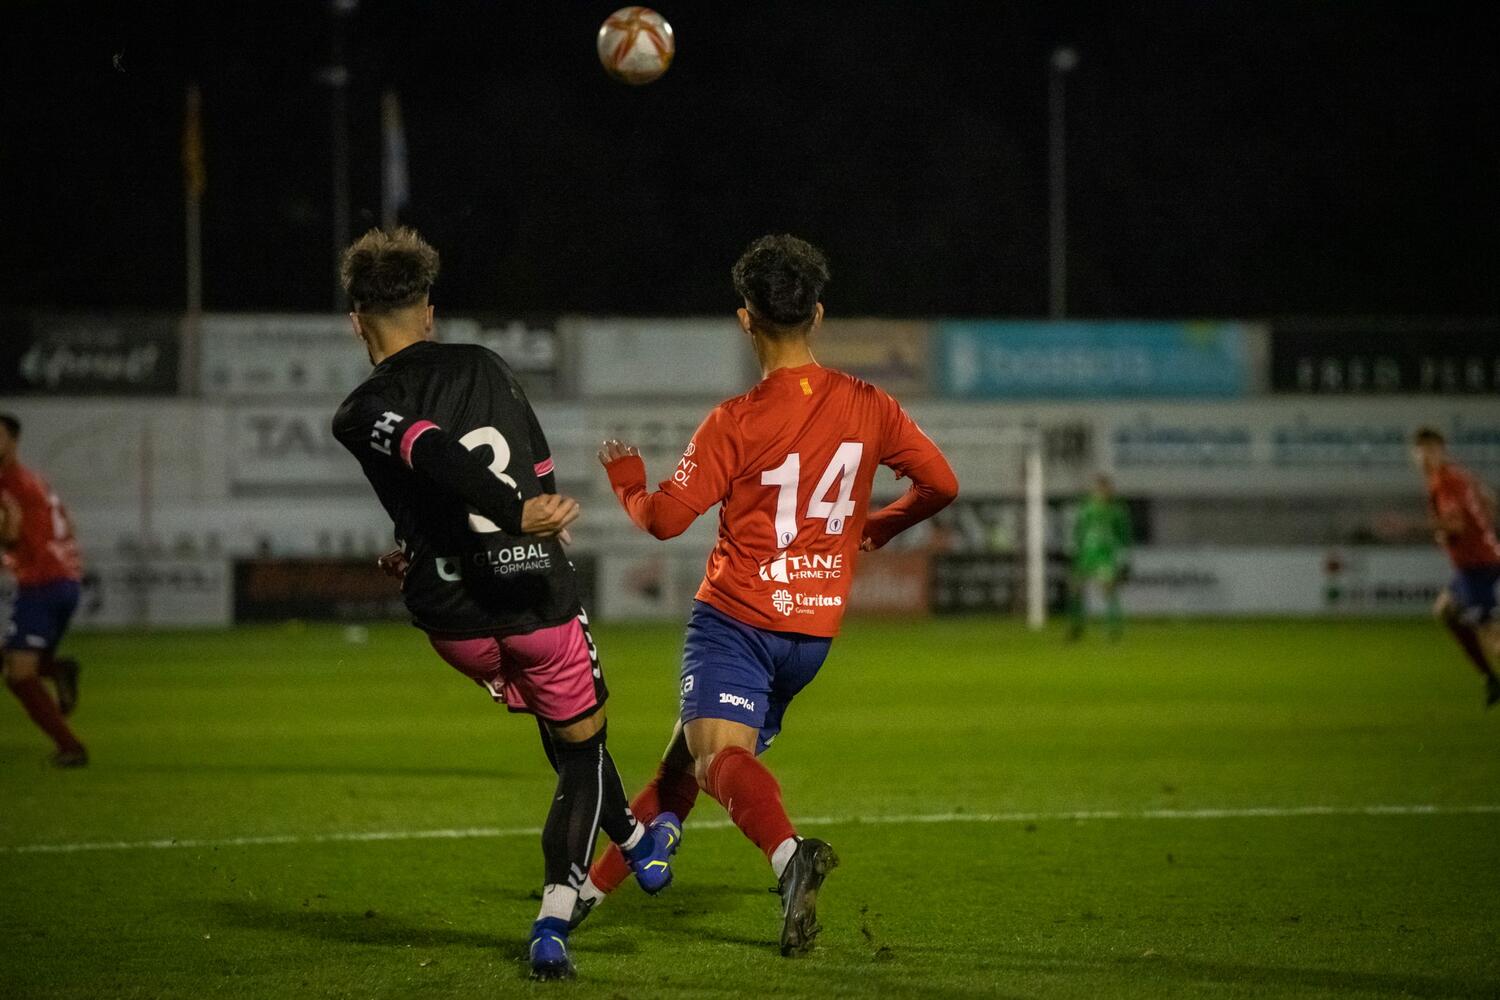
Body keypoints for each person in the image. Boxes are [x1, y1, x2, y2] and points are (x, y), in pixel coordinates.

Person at [576, 234, 958, 956]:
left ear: (745, 320)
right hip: (810, 638)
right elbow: (941, 483)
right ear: (818, 315)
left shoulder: (737, 420)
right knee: (685, 763)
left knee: (713, 757)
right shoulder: (871, 404)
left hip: (737, 620)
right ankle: (580, 898)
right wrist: (876, 527)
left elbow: (663, 520)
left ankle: (790, 858)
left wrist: (628, 482)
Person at [331, 227, 679, 980]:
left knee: (561, 730)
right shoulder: (486, 365)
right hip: (532, 594)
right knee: (581, 748)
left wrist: (418, 545)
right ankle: (556, 917)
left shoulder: (358, 410)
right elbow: (486, 457)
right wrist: (524, 511)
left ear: (357, 322)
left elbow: (424, 461)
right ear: (429, 311)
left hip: (452, 617)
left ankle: (638, 844)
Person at [0, 413, 87, 768]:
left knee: (19, 674)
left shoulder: (7, 482)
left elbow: (11, 531)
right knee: (18, 661)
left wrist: (11, 547)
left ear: (13, 441)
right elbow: (70, 524)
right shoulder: (36, 480)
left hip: (41, 583)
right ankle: (57, 669)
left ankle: (71, 748)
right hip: (65, 581)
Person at [1411, 426, 1500, 707]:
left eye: (1431, 450)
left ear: (1442, 451)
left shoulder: (1445, 481)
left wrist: (1410, 526)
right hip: (1475, 564)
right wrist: (1481, 527)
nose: (1426, 456)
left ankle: (1491, 678)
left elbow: (1456, 525)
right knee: (1446, 610)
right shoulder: (1459, 476)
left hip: (1479, 565)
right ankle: (1490, 678)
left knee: (1492, 635)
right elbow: (1490, 500)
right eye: (1421, 451)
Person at [1066, 474, 1133, 641]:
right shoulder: (1087, 509)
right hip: (1086, 555)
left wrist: (1125, 559)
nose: (1103, 492)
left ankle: (1114, 627)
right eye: (1100, 488)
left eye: (1106, 489)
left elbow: (1124, 537)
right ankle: (1076, 625)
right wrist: (1075, 551)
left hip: (1105, 555)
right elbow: (1079, 532)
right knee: (1075, 588)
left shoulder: (1117, 511)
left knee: (1108, 589)